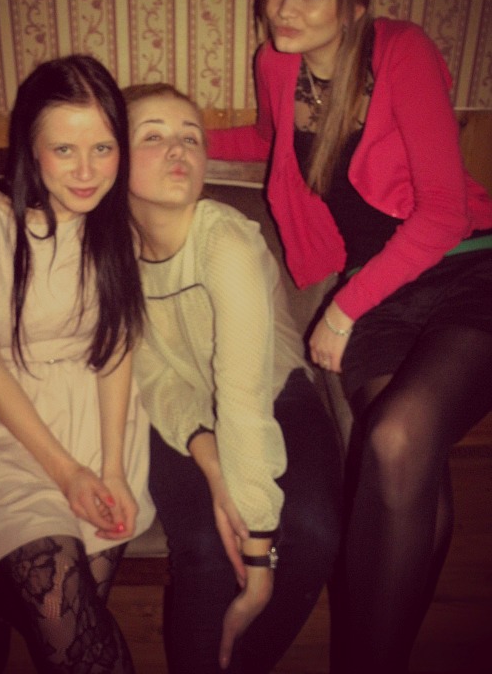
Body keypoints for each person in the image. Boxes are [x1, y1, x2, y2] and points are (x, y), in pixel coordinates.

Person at [207, 0, 492, 673]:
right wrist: (178, 140)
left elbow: (444, 213)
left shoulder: (402, 52)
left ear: (355, 5)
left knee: (397, 438)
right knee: (410, 472)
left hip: (466, 270)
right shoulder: (278, 66)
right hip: (379, 295)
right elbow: (272, 141)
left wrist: (341, 309)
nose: (286, 9)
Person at [0, 54, 155, 674]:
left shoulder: (117, 225)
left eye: (103, 148)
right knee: (71, 633)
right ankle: (7, 594)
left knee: (76, 614)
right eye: (64, 150)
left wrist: (111, 469)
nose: (87, 172)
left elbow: (116, 348)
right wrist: (68, 474)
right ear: (30, 149)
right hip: (12, 425)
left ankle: (3, 600)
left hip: (101, 423)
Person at [124, 82, 342, 673]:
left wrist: (259, 562)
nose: (179, 149)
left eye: (191, 137)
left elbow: (243, 399)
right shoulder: (107, 253)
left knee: (314, 531)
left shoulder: (226, 241)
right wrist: (212, 462)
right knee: (203, 548)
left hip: (273, 392)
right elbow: (148, 374)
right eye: (153, 136)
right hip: (179, 410)